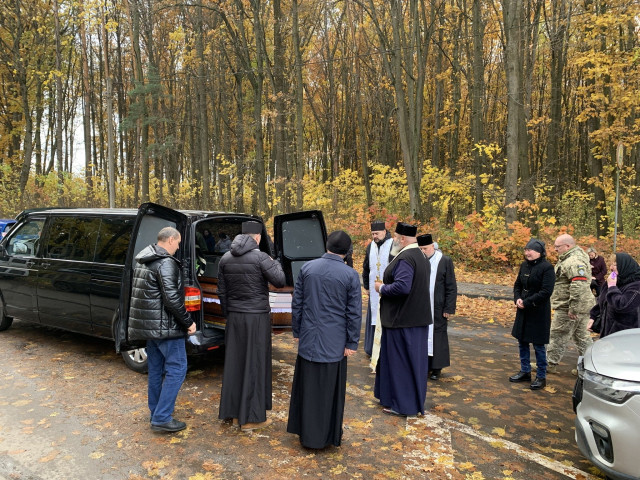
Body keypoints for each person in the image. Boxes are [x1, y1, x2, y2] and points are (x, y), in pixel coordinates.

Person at [287, 231, 362, 449]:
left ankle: (306, 434)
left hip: (310, 338)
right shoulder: (349, 275)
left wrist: (297, 331)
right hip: (334, 342)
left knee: (308, 388)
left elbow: (297, 303)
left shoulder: (308, 268)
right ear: (346, 251)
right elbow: (354, 312)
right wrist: (351, 342)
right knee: (329, 391)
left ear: (326, 245)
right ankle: (325, 437)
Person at [217, 221, 286, 431]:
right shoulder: (261, 258)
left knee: (235, 364)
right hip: (256, 318)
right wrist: (275, 262)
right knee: (254, 364)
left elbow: (222, 291)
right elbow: (280, 280)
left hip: (235, 317)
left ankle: (233, 413)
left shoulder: (225, 258)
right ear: (257, 237)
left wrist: (229, 314)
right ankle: (251, 419)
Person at [128, 227, 197, 433]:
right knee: (178, 369)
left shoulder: (144, 259)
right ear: (170, 240)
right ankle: (162, 417)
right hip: (166, 328)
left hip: (151, 329)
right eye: (178, 242)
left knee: (156, 371)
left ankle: (156, 412)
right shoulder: (166, 263)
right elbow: (172, 299)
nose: (178, 246)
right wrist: (188, 322)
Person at [373, 222, 431, 417]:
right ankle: (400, 401)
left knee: (401, 365)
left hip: (402, 320)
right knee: (413, 363)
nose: (394, 241)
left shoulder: (406, 257)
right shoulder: (421, 255)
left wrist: (381, 288)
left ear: (403, 239)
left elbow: (403, 287)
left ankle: (402, 405)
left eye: (396, 238)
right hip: (415, 319)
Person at [509, 239, 555, 390]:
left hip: (538, 311)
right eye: (526, 250)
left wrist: (527, 302)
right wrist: (517, 298)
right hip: (523, 309)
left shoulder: (547, 268)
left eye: (530, 250)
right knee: (522, 341)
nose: (527, 253)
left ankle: (541, 376)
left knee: (538, 345)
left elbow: (546, 291)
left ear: (540, 252)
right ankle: (525, 371)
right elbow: (518, 284)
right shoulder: (524, 265)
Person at [547, 234, 594, 374]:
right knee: (582, 337)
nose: (555, 249)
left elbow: (578, 285)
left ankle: (549, 364)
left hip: (568, 307)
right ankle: (590, 367)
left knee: (558, 334)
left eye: (558, 247)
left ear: (567, 246)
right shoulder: (574, 257)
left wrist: (573, 308)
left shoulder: (574, 260)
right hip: (582, 306)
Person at [417, 234, 457, 381]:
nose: (423, 251)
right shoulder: (418, 260)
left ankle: (436, 367)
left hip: (438, 306)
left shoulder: (444, 260)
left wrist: (449, 308)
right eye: (421, 249)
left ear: (433, 246)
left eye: (425, 248)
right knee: (422, 334)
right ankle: (424, 365)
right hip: (421, 305)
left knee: (438, 336)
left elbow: (451, 286)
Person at [588, 253, 640, 338]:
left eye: (615, 265)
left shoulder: (636, 286)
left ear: (625, 266)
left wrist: (612, 287)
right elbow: (602, 301)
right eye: (610, 265)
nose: (611, 268)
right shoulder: (615, 280)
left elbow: (622, 305)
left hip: (626, 335)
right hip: (608, 332)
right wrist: (593, 316)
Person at [362, 221, 394, 356]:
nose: (375, 236)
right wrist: (366, 285)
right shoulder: (371, 246)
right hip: (374, 290)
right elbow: (366, 267)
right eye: (372, 234)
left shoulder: (393, 245)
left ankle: (385, 350)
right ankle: (371, 349)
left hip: (388, 289)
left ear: (384, 232)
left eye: (377, 233)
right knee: (373, 317)